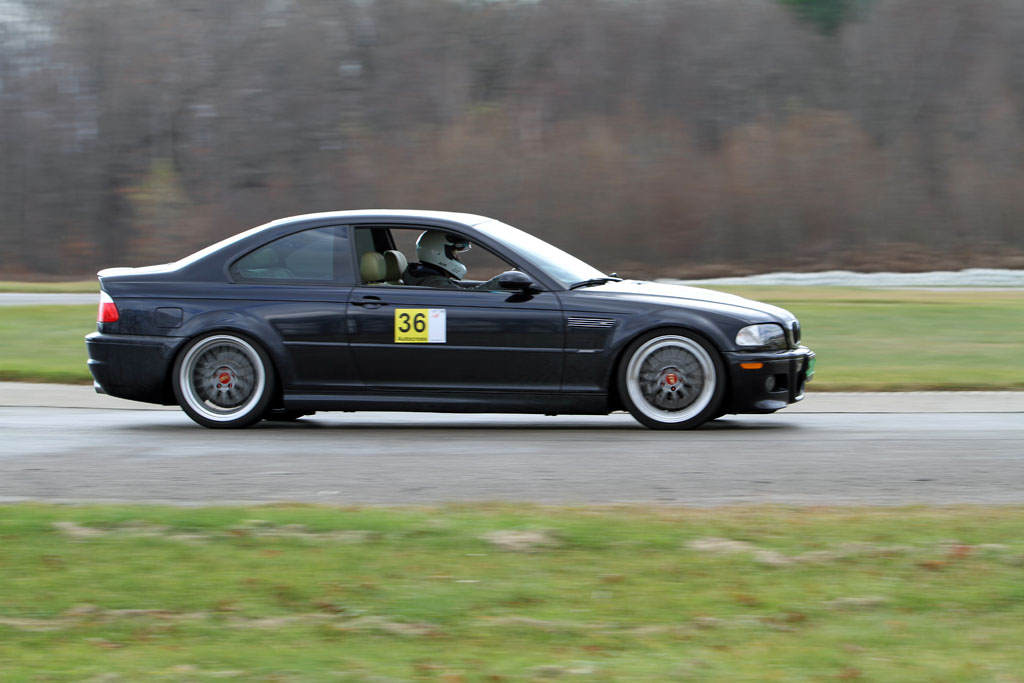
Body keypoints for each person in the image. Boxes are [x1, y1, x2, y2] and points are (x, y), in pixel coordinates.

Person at [402, 231, 500, 290]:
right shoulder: (435, 283)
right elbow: (467, 299)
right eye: (454, 252)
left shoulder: (423, 276)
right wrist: (501, 281)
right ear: (438, 252)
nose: (458, 257)